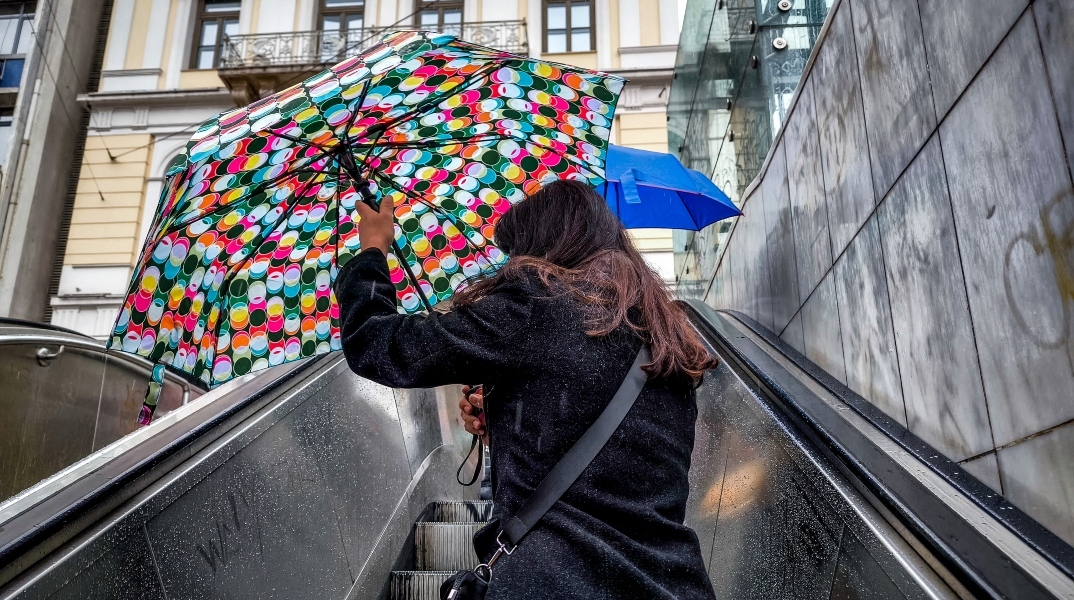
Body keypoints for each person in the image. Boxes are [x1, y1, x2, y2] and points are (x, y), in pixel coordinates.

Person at [335, 179, 718, 599]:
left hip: (556, 581)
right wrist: (508, 417)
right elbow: (621, 468)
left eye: (518, 251)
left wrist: (372, 250)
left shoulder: (540, 305)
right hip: (671, 583)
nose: (513, 264)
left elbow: (380, 345)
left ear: (546, 246)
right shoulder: (667, 340)